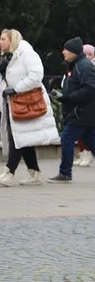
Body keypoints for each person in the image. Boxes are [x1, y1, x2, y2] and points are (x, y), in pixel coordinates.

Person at [50, 37, 95, 183]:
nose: (63, 52)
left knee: (67, 138)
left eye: (66, 50)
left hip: (82, 112)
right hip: (83, 111)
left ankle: (65, 173)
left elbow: (91, 89)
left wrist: (69, 98)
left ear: (74, 52)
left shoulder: (84, 66)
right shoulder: (76, 65)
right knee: (90, 140)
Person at [0, 29, 58, 186]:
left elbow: (36, 76)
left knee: (17, 138)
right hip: (13, 102)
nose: (0, 42)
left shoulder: (27, 53)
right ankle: (34, 172)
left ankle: (9, 172)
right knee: (23, 138)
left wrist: (16, 88)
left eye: (3, 39)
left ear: (12, 40)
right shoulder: (8, 57)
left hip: (26, 102)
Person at [73, 43, 95, 167]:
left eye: (90, 54)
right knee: (80, 132)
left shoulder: (94, 67)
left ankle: (88, 154)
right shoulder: (78, 65)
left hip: (88, 102)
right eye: (86, 54)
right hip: (78, 102)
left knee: (87, 132)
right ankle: (82, 153)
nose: (88, 56)